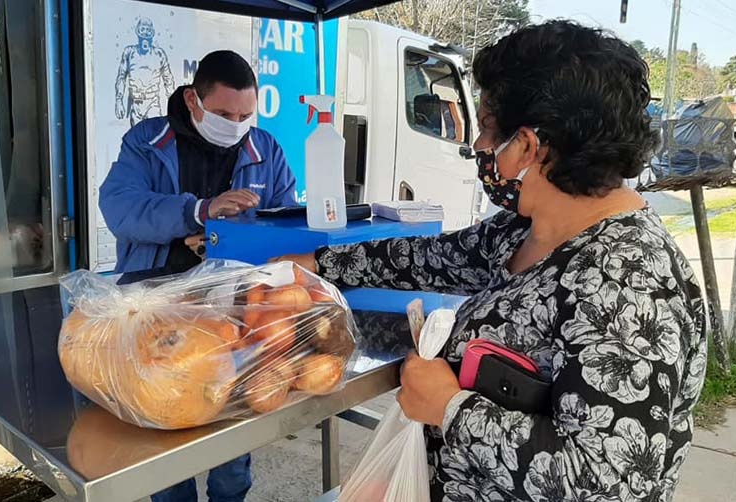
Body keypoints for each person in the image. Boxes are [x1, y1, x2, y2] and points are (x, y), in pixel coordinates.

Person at [278, 21, 706, 501]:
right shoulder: (530, 229)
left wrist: (451, 409)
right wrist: (317, 264)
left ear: (528, 145)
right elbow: (427, 259)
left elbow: (607, 483)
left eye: (486, 130)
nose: (479, 149)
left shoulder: (628, 282)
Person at [100, 50, 298, 502]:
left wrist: (224, 239)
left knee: (232, 440)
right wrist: (198, 212)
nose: (236, 123)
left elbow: (286, 222)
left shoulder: (264, 149)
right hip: (158, 305)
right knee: (167, 436)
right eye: (225, 113)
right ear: (194, 100)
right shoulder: (148, 142)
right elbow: (120, 207)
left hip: (234, 312)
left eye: (246, 114)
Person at [115, 17, 176, 126]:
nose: (145, 34)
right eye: (142, 30)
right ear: (138, 32)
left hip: (153, 103)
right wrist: (119, 100)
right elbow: (121, 77)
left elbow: (168, 79)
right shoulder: (129, 52)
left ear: (152, 33)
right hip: (136, 104)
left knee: (156, 139)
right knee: (137, 140)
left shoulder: (159, 54)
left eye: (148, 30)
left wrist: (175, 106)